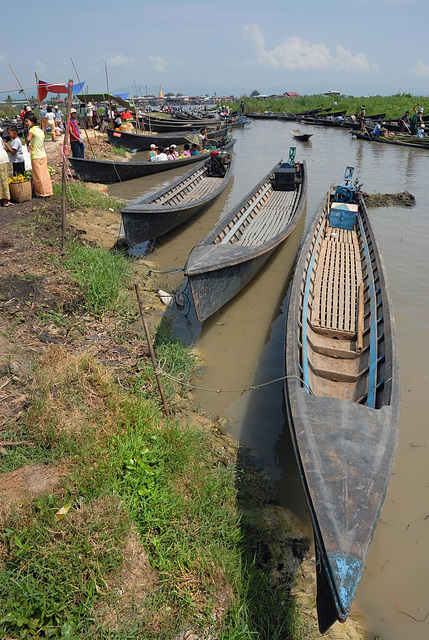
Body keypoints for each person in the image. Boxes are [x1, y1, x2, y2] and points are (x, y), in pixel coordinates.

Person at [24, 113, 53, 197]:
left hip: (35, 156)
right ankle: (48, 191)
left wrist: (27, 145)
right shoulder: (40, 130)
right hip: (43, 154)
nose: (26, 123)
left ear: (32, 121)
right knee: (45, 174)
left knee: (38, 176)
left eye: (27, 121)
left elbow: (28, 138)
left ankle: (41, 193)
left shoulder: (32, 130)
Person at [0, 136, 12, 206]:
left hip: (2, 159)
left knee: (3, 180)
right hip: (3, 159)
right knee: (3, 180)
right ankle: (4, 200)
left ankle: (5, 200)